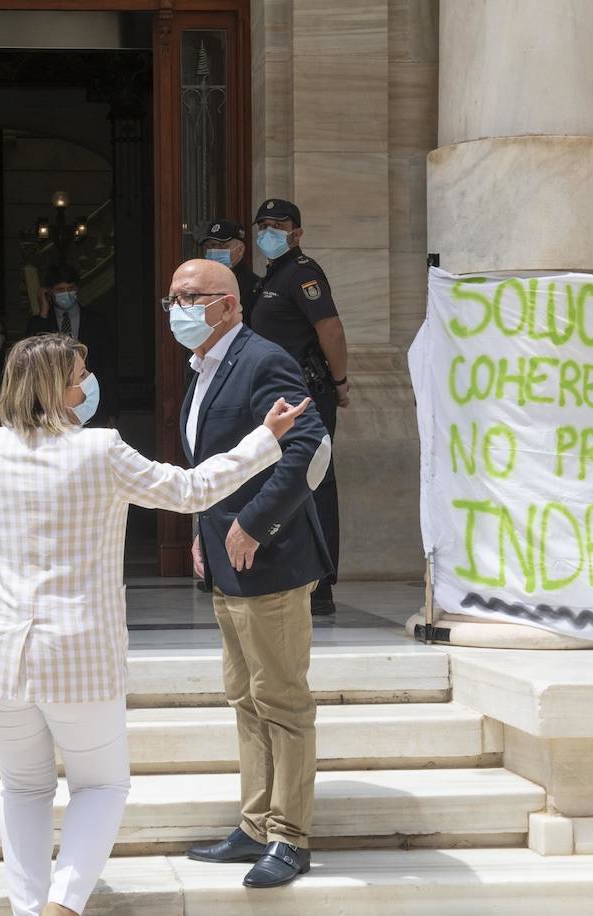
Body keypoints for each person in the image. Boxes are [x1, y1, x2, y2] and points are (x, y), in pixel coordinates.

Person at [0, 334, 309, 916]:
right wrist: (265, 439)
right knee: (101, 785)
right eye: (79, 373)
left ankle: (28, 908)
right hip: (78, 651)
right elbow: (193, 491)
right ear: (55, 387)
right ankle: (63, 906)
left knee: (22, 788)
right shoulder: (101, 449)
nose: (87, 381)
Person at [168, 258, 333, 888]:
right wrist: (201, 530)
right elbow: (215, 464)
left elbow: (306, 441)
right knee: (245, 698)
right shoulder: (204, 369)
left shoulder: (265, 360)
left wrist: (254, 523)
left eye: (190, 297)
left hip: (272, 557)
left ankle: (291, 837)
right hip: (225, 557)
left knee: (283, 700)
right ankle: (256, 824)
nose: (177, 309)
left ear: (228, 305)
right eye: (172, 299)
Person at [251, 197, 350, 616]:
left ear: (297, 232)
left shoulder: (303, 273)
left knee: (314, 481)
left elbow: (330, 327)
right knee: (279, 479)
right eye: (263, 224)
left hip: (305, 394)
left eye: (279, 223)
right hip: (277, 396)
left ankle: (320, 584)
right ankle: (288, 573)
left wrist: (340, 381)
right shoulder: (271, 277)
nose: (269, 231)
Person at [26, 262, 119, 426]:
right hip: (50, 407)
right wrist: (43, 312)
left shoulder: (97, 321)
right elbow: (31, 357)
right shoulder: (40, 322)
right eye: (60, 290)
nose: (67, 294)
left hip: (92, 405)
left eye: (71, 288)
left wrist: (112, 412)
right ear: (49, 292)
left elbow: (108, 367)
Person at [199, 219, 260, 318]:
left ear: (240, 249)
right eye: (210, 246)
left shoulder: (254, 286)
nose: (214, 250)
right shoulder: (200, 282)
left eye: (222, 245)